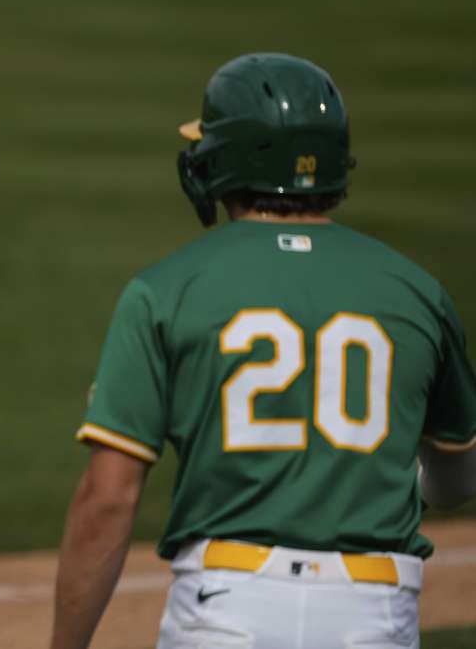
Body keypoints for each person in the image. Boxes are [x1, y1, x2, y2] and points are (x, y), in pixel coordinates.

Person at [51, 53, 476, 649]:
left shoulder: (166, 290)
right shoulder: (417, 293)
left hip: (228, 608)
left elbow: (107, 500)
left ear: (227, 159)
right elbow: (458, 476)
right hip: (376, 610)